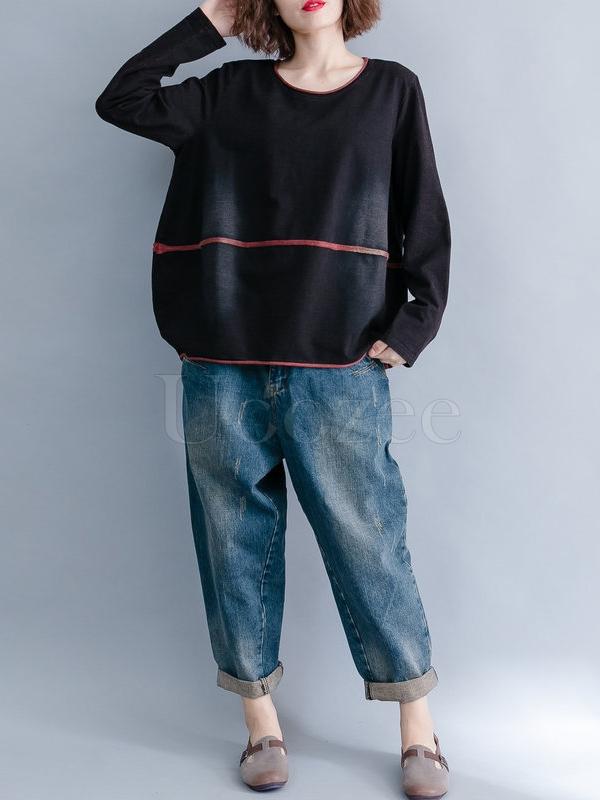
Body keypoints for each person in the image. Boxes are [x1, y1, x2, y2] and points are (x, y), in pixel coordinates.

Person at [95, 0, 451, 795]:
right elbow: (123, 99)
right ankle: (261, 725)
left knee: (369, 541)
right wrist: (210, 21)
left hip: (338, 362)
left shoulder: (391, 90)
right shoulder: (228, 92)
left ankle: (418, 729)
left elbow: (422, 211)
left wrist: (415, 323)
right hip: (221, 361)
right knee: (234, 541)